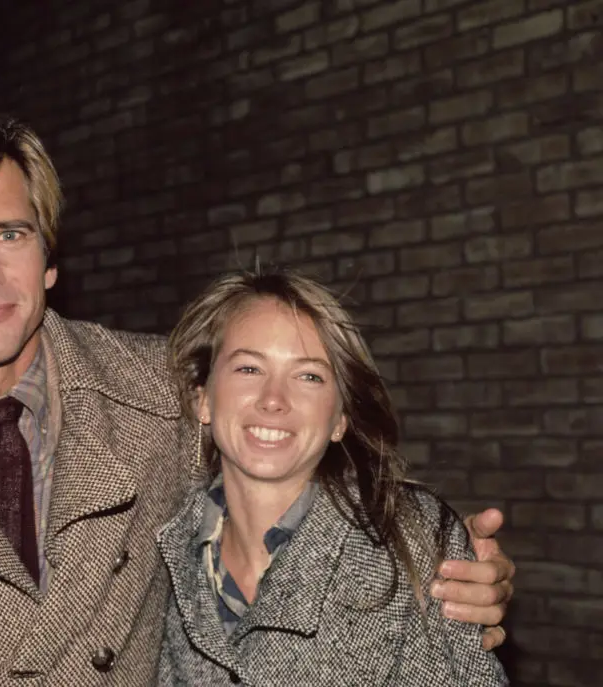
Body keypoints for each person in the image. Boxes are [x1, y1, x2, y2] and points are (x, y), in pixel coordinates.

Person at [0, 108, 514, 686]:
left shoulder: (157, 391)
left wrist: (440, 562)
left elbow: (296, 465)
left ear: (50, 260)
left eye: (9, 234)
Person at [157, 268, 510, 685]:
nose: (274, 400)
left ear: (339, 420)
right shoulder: (160, 551)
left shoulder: (407, 541)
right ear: (203, 401)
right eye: (249, 369)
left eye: (309, 376)